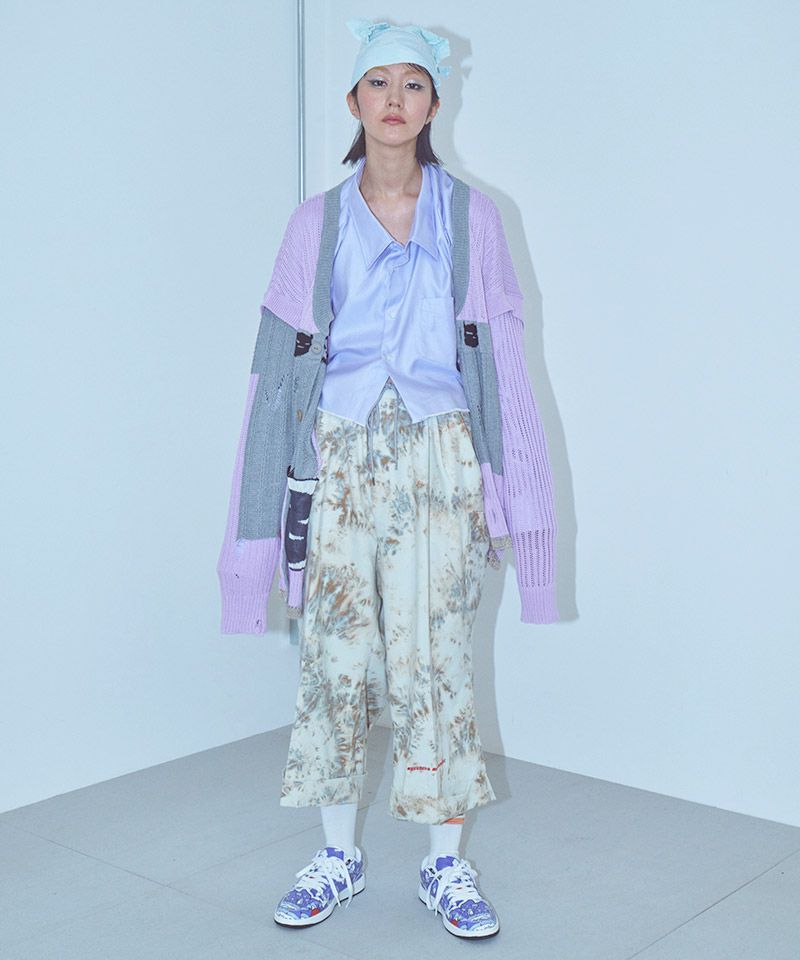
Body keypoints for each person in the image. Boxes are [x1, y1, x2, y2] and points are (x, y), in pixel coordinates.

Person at [216, 17, 560, 942]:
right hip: (335, 456)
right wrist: (255, 525)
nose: (395, 100)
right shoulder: (313, 223)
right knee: (332, 658)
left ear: (435, 103)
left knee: (439, 659)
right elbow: (275, 373)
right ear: (354, 102)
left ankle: (445, 863)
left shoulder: (474, 218)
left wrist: (518, 499)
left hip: (441, 455)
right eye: (379, 83)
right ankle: (340, 854)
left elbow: (504, 366)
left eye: (413, 84)